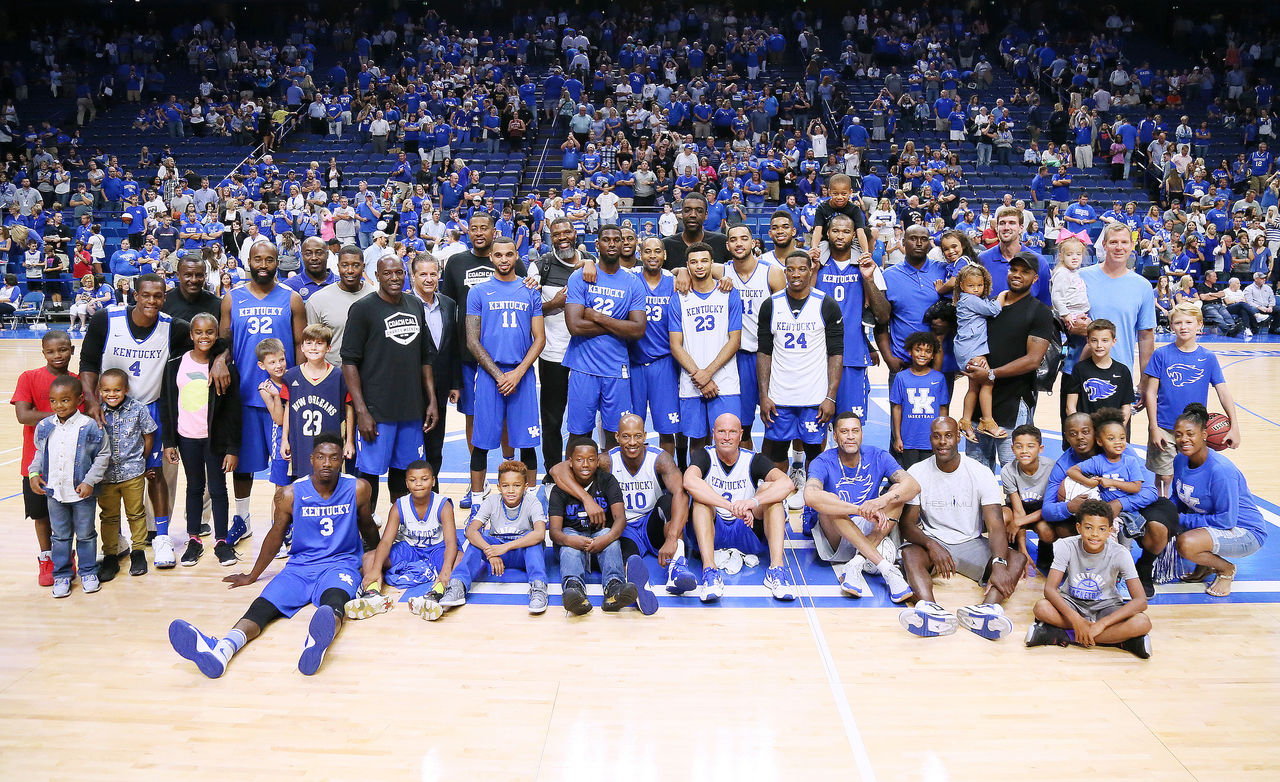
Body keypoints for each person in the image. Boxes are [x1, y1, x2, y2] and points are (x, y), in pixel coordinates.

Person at [167, 434, 379, 678]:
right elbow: (275, 536)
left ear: (342, 460)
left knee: (334, 602)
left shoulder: (358, 488)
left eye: (333, 458)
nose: (327, 463)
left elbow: (368, 527)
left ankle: (316, 642)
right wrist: (252, 575)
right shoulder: (290, 494)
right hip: (299, 567)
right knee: (261, 607)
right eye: (321, 457)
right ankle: (223, 648)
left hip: (340, 565)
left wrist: (379, 563)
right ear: (311, 460)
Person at [81, 274, 218, 569]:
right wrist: (92, 400)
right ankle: (115, 540)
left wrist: (220, 358)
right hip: (111, 409)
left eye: (158, 296)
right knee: (109, 476)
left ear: (164, 298)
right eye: (146, 295)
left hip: (152, 408)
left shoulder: (174, 328)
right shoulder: (106, 319)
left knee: (156, 475)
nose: (152, 301)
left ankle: (162, 536)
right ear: (135, 294)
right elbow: (88, 361)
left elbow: (207, 344)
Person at [897, 417, 1027, 640]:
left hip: (971, 543)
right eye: (937, 436)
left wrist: (998, 562)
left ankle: (987, 610)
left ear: (958, 437)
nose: (943, 442)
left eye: (948, 435)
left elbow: (996, 526)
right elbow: (907, 525)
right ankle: (929, 608)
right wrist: (931, 544)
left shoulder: (980, 472)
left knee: (1015, 560)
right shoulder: (917, 471)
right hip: (934, 541)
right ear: (931, 440)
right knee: (909, 553)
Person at [220, 241, 306, 545]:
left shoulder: (292, 299)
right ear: (249, 260)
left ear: (277, 262)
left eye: (270, 259)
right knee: (243, 466)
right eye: (258, 259)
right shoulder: (232, 299)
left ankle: (282, 525)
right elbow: (223, 344)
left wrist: (299, 387)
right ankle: (242, 520)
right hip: (244, 397)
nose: (263, 264)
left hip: (283, 398)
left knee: (284, 469)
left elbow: (300, 347)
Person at [342, 255, 439, 514]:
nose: (394, 278)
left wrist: (431, 400)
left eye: (399, 273)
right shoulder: (363, 309)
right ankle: (367, 530)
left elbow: (425, 356)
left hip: (410, 408)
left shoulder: (414, 304)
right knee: (369, 476)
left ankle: (398, 527)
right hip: (377, 410)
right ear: (377, 275)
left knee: (404, 473)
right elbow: (349, 362)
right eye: (388, 273)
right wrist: (362, 410)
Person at [802, 411, 919, 600]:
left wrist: (882, 501)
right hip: (836, 536)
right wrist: (859, 510)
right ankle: (887, 570)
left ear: (862, 434)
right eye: (844, 431)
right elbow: (810, 496)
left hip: (871, 530)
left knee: (897, 491)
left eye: (855, 431)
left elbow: (913, 485)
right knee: (831, 500)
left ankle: (857, 562)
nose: (850, 436)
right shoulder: (822, 461)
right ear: (835, 435)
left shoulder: (877, 455)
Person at [682, 413, 797, 602]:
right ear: (713, 434)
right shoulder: (704, 456)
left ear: (741, 434)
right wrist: (729, 505)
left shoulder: (753, 459)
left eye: (732, 432)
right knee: (701, 499)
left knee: (771, 492)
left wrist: (753, 502)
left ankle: (776, 570)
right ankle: (710, 572)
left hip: (746, 529)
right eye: (721, 432)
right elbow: (689, 481)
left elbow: (787, 484)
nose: (726, 437)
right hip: (714, 530)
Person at [960, 252, 1055, 471]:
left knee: (1014, 472)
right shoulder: (988, 305)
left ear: (1035, 278)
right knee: (977, 473)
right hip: (979, 406)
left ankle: (1013, 507)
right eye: (1014, 270)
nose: (1017, 275)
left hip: (1014, 403)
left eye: (1025, 272)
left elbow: (1033, 360)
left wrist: (991, 374)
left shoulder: (1040, 312)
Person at [159, 313, 241, 569]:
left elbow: (233, 411)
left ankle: (221, 540)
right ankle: (193, 539)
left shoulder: (224, 368)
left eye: (209, 332)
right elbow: (168, 405)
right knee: (193, 488)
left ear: (216, 335)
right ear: (191, 335)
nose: (204, 337)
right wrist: (169, 442)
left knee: (217, 489)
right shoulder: (175, 365)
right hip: (186, 437)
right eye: (199, 332)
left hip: (213, 439)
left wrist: (232, 448)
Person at [465, 236, 544, 497]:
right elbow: (472, 341)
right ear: (491, 257)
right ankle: (477, 500)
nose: (503, 260)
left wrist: (518, 373)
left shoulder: (531, 290)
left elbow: (540, 338)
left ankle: (531, 502)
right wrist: (500, 376)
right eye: (498, 255)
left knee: (527, 443)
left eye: (509, 255)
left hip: (522, 375)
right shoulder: (477, 292)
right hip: (490, 375)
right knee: (482, 442)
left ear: (516, 256)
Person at [1025, 499, 1152, 659]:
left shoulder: (1120, 553)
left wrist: (1102, 624)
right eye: (1088, 527)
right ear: (1079, 528)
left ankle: (1065, 636)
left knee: (1142, 622)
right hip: (1072, 604)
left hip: (1106, 607)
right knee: (1042, 608)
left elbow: (1140, 601)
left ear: (1110, 531)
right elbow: (1050, 589)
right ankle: (1121, 641)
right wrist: (1076, 620)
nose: (1095, 534)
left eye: (1102, 529)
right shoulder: (1067, 546)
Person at [757, 251, 843, 485]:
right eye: (791, 269)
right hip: (780, 395)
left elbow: (836, 354)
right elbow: (764, 352)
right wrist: (764, 395)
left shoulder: (826, 304)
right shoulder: (770, 305)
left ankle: (810, 498)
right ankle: (780, 497)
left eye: (801, 269)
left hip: (814, 396)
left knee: (814, 452)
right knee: (777, 451)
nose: (796, 274)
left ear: (811, 270)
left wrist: (830, 397)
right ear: (785, 272)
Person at [1143, 303, 1240, 497]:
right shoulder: (1161, 354)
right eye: (1177, 322)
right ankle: (1162, 510)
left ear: (1200, 324)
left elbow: (1223, 392)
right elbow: (1150, 393)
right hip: (1164, 427)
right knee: (1165, 476)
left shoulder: (1208, 357)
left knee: (1189, 475)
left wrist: (1235, 426)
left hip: (1194, 430)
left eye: (1189, 322)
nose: (1183, 326)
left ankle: (1184, 509)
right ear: (1171, 325)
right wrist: (1153, 427)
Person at [563, 224, 647, 450]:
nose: (612, 243)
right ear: (597, 244)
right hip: (583, 367)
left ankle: (610, 484)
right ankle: (570, 486)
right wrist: (620, 325)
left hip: (616, 369)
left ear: (624, 244)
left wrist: (596, 316)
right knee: (579, 436)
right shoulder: (580, 276)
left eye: (617, 239)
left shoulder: (633, 283)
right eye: (606, 239)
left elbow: (638, 330)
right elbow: (574, 325)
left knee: (615, 437)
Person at [1172, 403, 1268, 597]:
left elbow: (1226, 520)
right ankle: (1204, 566)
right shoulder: (1180, 459)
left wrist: (1180, 520)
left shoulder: (1221, 471)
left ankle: (1226, 569)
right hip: (1215, 522)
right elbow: (1180, 497)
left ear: (1204, 434)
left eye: (1190, 434)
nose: (1184, 440)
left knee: (1186, 544)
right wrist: (1166, 512)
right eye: (1178, 434)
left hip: (1245, 531)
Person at [30, 375, 111, 598]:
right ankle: (62, 575)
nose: (58, 406)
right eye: (53, 401)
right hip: (55, 493)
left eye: (65, 400)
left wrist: (89, 481)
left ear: (79, 399)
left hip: (82, 493)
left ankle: (88, 572)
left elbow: (103, 455)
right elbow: (39, 453)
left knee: (85, 534)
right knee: (60, 536)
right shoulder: (45, 426)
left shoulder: (91, 427)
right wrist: (34, 473)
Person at [548, 435, 647, 616]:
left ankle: (614, 589)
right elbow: (554, 532)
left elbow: (620, 520)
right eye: (579, 460)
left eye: (591, 459)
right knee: (568, 548)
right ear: (570, 462)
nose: (585, 464)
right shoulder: (560, 488)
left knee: (611, 536)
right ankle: (575, 590)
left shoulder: (607, 481)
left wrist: (606, 539)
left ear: (598, 461)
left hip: (599, 535)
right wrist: (569, 540)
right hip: (573, 536)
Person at [353, 460, 459, 621]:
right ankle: (373, 594)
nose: (419, 484)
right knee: (369, 558)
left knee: (460, 559)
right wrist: (376, 568)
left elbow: (451, 541)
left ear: (433, 480)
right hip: (409, 549)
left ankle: (435, 594)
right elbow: (387, 541)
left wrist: (445, 569)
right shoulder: (399, 506)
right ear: (407, 484)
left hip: (436, 549)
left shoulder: (443, 505)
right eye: (413, 480)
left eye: (424, 479)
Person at [12, 331, 75, 586]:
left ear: (72, 349)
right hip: (35, 463)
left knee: (69, 512)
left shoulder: (77, 381)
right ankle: (47, 557)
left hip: (69, 461)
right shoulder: (29, 377)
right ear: (43, 352)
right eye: (51, 351)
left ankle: (66, 556)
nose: (57, 355)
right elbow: (23, 416)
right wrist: (61, 412)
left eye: (62, 350)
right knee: (41, 515)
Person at [668, 242, 743, 448]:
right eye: (693, 262)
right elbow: (675, 345)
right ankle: (696, 480)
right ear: (687, 266)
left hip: (725, 381)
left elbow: (735, 340)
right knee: (697, 442)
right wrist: (700, 377)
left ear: (712, 263)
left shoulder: (729, 294)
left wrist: (707, 374)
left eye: (703, 261)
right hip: (692, 382)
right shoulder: (679, 299)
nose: (699, 266)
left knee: (727, 440)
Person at [453, 460, 550, 614]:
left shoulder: (533, 502)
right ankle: (457, 585)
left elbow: (540, 533)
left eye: (517, 485)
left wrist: (504, 547)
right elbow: (470, 531)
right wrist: (490, 552)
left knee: (534, 543)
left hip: (521, 553)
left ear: (525, 487)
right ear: (499, 487)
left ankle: (538, 588)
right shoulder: (492, 501)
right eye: (505, 486)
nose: (511, 490)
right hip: (496, 549)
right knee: (475, 543)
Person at [93, 367, 159, 579]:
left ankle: (138, 552)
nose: (111, 394)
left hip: (133, 473)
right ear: (100, 391)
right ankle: (110, 556)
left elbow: (149, 434)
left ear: (126, 389)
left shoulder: (138, 409)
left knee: (136, 513)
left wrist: (142, 459)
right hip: (106, 476)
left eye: (117, 390)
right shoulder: (96, 412)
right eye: (106, 390)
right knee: (109, 517)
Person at [725, 224, 786, 449]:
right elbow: (688, 269)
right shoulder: (720, 271)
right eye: (733, 239)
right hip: (736, 358)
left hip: (768, 356)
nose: (738, 243)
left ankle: (788, 467)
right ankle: (746, 476)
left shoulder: (772, 272)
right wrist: (681, 271)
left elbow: (785, 315)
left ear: (753, 243)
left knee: (777, 421)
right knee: (742, 425)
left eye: (744, 238)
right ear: (727, 245)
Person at [279, 324, 354, 479]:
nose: (313, 348)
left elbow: (349, 410)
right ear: (302, 348)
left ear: (328, 348)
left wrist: (350, 441)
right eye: (309, 343)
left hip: (332, 442)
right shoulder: (291, 376)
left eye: (319, 343)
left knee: (331, 481)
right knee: (302, 481)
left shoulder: (338, 376)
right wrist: (284, 440)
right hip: (300, 442)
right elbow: (288, 410)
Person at [406, 253, 457, 478]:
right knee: (412, 448)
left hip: (441, 387)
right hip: (411, 388)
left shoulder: (448, 303)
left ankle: (432, 494)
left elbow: (453, 346)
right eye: (423, 274)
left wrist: (455, 383)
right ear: (413, 276)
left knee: (435, 448)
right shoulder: (404, 304)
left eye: (433, 274)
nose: (428, 279)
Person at [629, 237, 681, 456]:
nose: (652, 255)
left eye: (657, 251)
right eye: (647, 251)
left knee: (667, 429)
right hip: (633, 362)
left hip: (664, 362)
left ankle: (666, 477)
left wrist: (684, 271)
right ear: (640, 255)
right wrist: (587, 261)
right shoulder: (629, 279)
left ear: (664, 255)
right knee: (631, 427)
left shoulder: (674, 282)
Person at [951, 264, 1009, 441]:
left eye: (979, 285)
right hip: (971, 349)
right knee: (988, 381)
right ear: (962, 286)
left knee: (974, 387)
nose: (975, 290)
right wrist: (1002, 296)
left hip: (967, 348)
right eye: (971, 285)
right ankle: (988, 421)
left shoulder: (967, 299)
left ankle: (966, 422)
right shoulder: (969, 299)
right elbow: (993, 310)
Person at [305, 244, 375, 365]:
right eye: (344, 265)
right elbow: (311, 345)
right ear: (338, 267)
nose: (350, 270)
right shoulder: (318, 300)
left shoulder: (376, 296)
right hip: (331, 374)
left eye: (355, 265)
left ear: (363, 267)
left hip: (370, 372)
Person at [889, 331, 948, 469]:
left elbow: (943, 409)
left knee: (932, 477)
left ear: (933, 355)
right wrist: (898, 437)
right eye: (918, 350)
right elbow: (897, 409)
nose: (923, 354)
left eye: (928, 351)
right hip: (908, 440)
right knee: (911, 477)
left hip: (931, 441)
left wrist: (942, 436)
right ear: (910, 351)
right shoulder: (901, 378)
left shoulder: (939, 378)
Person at [1002, 424, 1054, 575]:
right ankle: (1013, 549)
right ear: (1013, 449)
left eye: (1030, 446)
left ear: (1040, 448)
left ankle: (1046, 549)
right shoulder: (1008, 471)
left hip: (1042, 510)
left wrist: (1018, 522)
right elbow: (1018, 511)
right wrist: (1023, 550)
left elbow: (1050, 508)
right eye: (1019, 446)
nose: (1024, 451)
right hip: (1018, 508)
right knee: (1004, 516)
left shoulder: (1051, 468)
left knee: (1047, 530)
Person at [1066, 319, 1134, 421]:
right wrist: (1082, 428)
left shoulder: (1122, 371)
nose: (1099, 345)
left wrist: (1118, 429)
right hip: (1087, 430)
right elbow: (1070, 406)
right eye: (1094, 340)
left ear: (1113, 341)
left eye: (1104, 340)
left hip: (1113, 432)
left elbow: (1126, 407)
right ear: (1088, 341)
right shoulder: (1079, 369)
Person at [282, 236, 338, 302]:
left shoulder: (340, 283)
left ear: (327, 255)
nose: (314, 258)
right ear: (302, 256)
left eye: (319, 253)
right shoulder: (288, 287)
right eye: (308, 254)